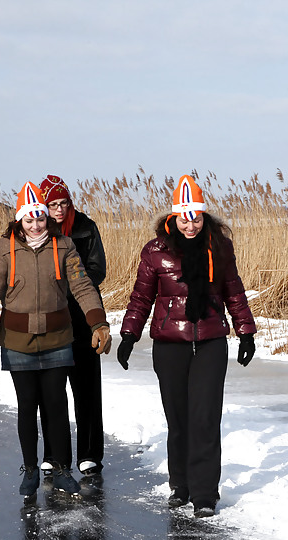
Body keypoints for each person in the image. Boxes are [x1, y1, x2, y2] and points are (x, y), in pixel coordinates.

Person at [116, 174, 256, 518]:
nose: (190, 224)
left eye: (196, 217)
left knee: (205, 418)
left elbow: (233, 291)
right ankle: (181, 486)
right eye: (184, 217)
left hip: (210, 341)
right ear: (173, 218)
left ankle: (206, 493)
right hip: (170, 343)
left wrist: (246, 331)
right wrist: (129, 335)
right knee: (178, 419)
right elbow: (141, 297)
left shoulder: (219, 247)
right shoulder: (155, 251)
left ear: (203, 216)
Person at [0, 181, 112, 499]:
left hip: (58, 338)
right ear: (20, 220)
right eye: (29, 219)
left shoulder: (65, 246)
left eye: (40, 218)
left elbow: (83, 286)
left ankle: (61, 470)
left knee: (57, 406)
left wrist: (98, 323)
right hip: (18, 341)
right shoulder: (2, 249)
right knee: (28, 406)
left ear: (47, 217)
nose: (35, 225)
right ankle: (30, 469)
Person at [39, 175, 108, 478]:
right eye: (52, 204)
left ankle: (90, 454)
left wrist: (71, 289)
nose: (58, 210)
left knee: (86, 386)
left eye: (63, 203)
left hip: (81, 315)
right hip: (50, 319)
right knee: (51, 388)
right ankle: (55, 455)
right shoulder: (37, 229)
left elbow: (97, 268)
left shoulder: (85, 227)